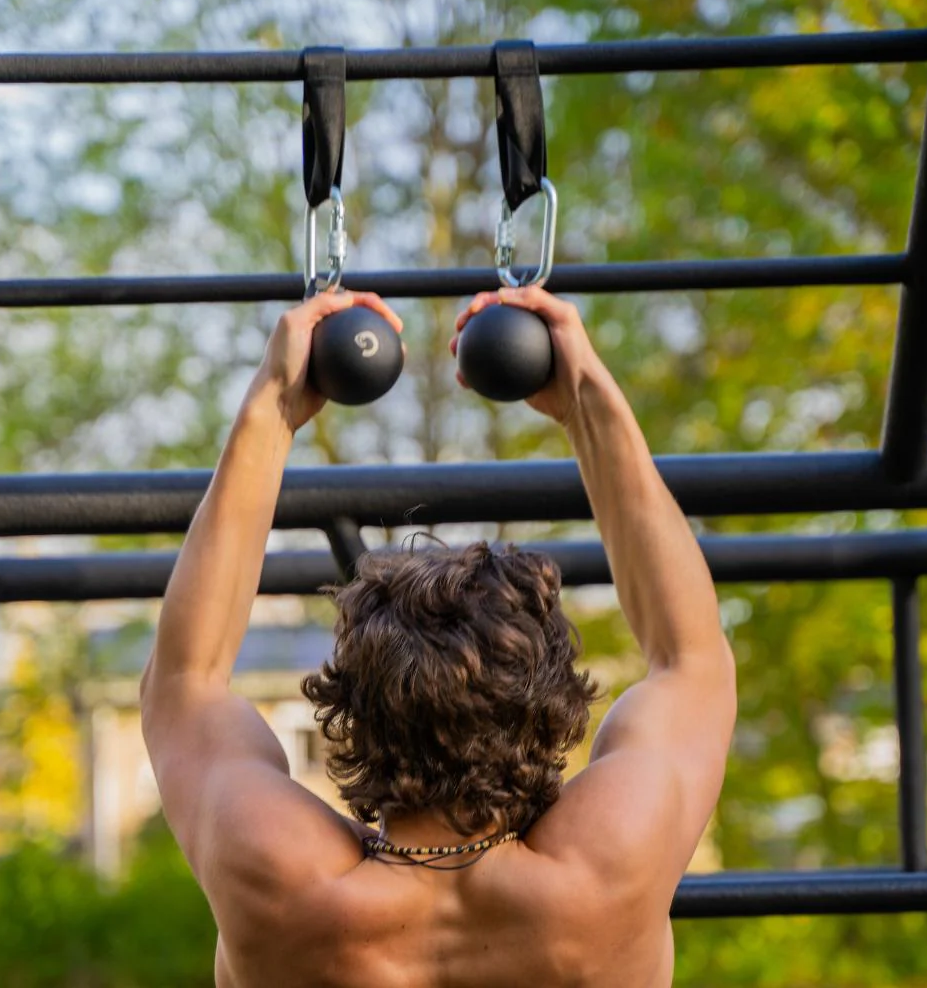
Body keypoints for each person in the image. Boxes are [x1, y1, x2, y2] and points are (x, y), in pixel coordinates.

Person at [140, 286, 737, 988]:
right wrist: (584, 399)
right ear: (547, 708)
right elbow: (691, 658)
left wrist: (274, 408)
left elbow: (185, 680)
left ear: (351, 709)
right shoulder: (608, 866)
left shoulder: (281, 877)